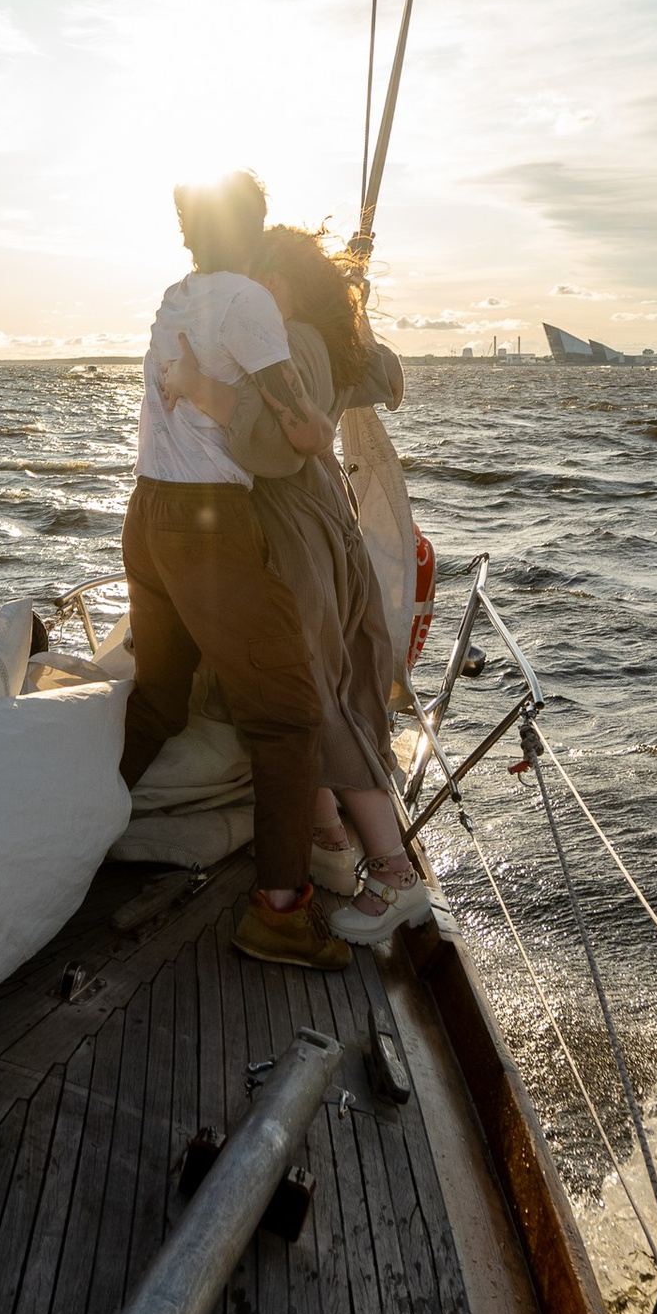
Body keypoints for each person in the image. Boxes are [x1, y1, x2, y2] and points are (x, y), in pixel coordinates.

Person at [160, 226, 429, 947]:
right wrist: (356, 316)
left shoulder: (295, 344)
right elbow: (391, 379)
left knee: (311, 691)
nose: (248, 291)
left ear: (281, 280)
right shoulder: (330, 341)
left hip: (293, 528)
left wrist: (192, 385)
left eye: (258, 277)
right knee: (311, 686)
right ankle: (327, 840)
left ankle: (394, 874)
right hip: (327, 521)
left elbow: (269, 443)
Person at [120, 173, 351, 971]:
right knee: (287, 715)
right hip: (206, 525)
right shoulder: (247, 299)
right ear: (253, 233)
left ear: (188, 233)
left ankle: (84, 829)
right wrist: (316, 425)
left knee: (158, 695)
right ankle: (281, 913)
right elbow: (299, 424)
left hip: (145, 513)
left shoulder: (174, 297)